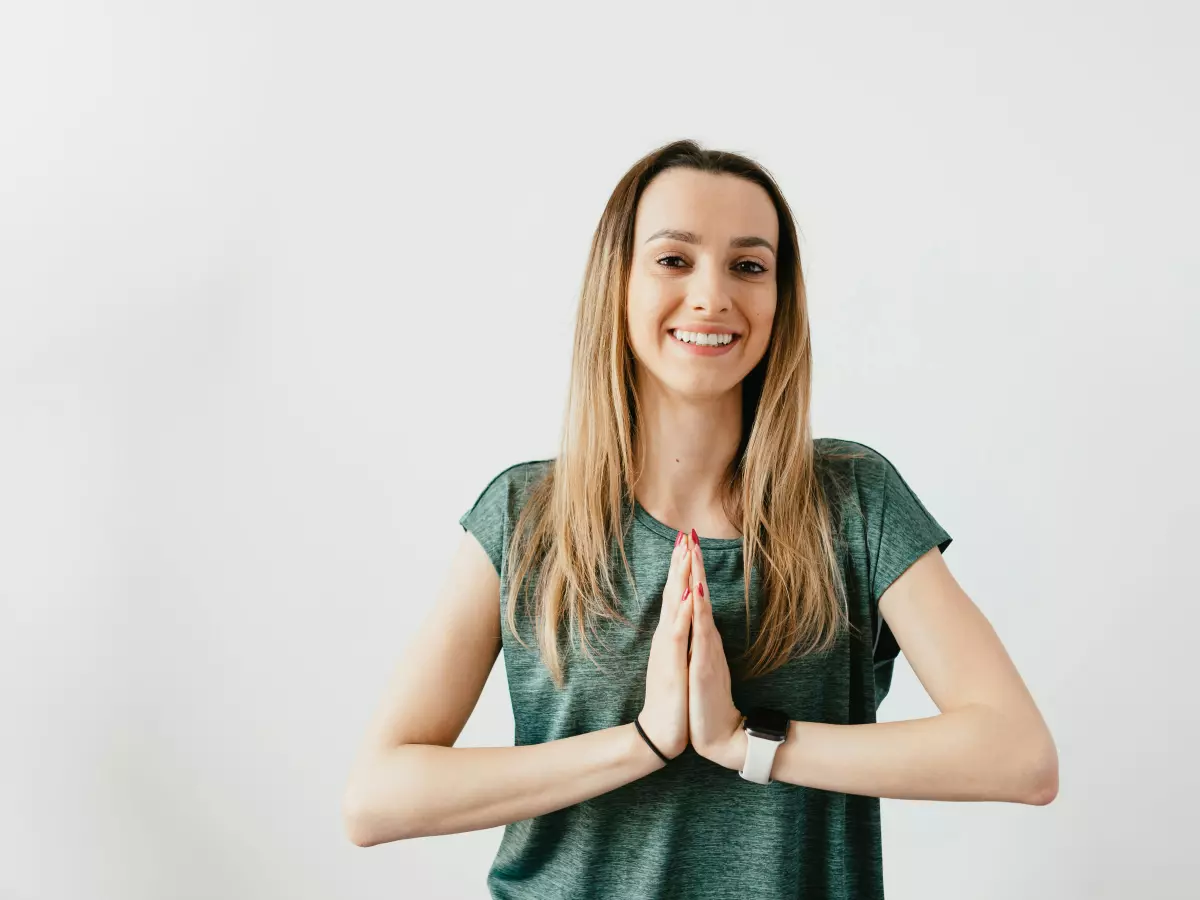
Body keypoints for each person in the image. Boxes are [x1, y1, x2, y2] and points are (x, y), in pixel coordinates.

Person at [341, 139, 1059, 899]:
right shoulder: (525, 517)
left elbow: (1019, 755)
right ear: (617, 285)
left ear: (782, 299)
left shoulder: (856, 502)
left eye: (748, 266)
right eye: (674, 260)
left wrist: (746, 743)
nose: (713, 295)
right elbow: (376, 799)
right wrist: (643, 742)